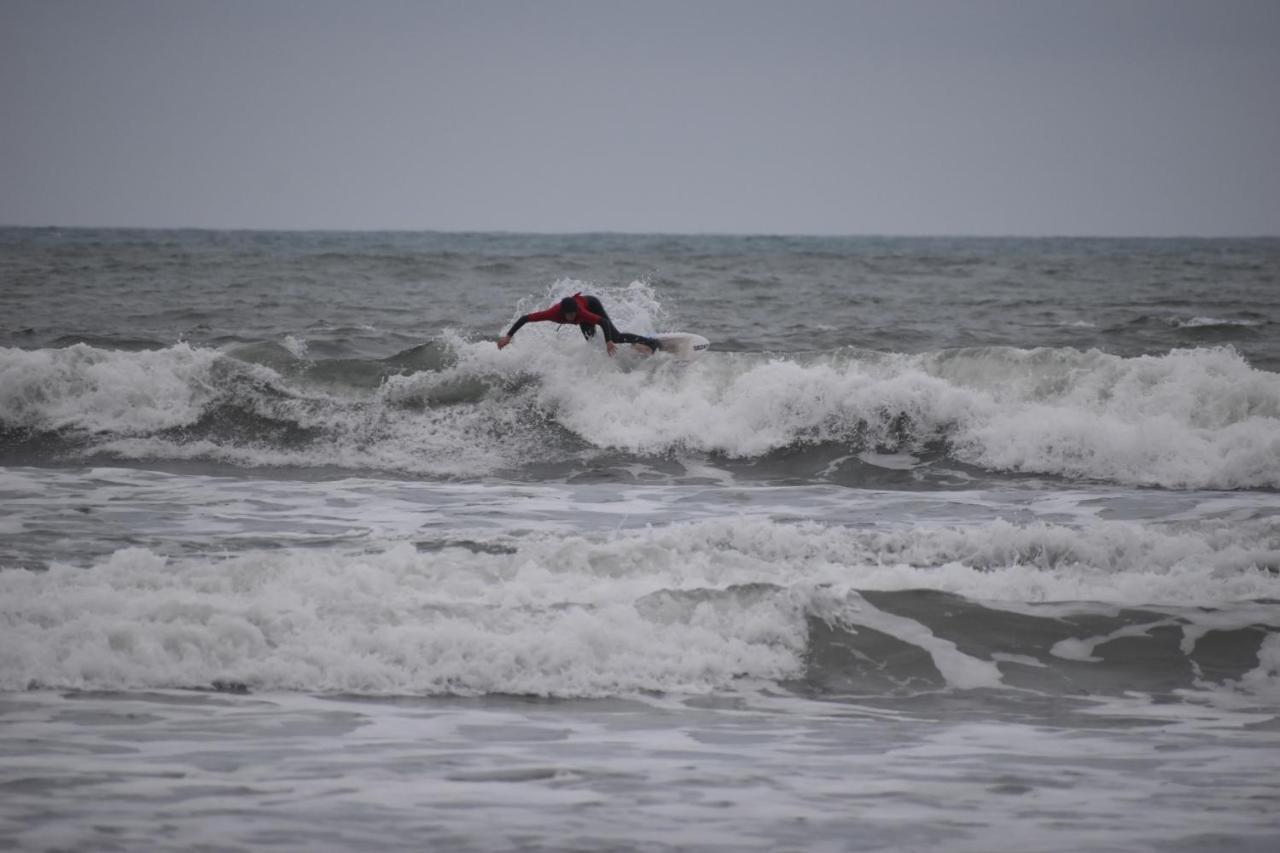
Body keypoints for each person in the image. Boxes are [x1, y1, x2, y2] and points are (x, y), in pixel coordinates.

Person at [496, 293, 660, 356]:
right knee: (593, 344)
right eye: (569, 314)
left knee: (615, 337)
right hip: (582, 316)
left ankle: (649, 342)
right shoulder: (552, 313)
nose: (571, 317)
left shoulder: (581, 312)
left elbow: (602, 322)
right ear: (563, 313)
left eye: (573, 314)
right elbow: (525, 318)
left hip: (592, 304)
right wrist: (508, 336)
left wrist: (609, 341)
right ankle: (633, 348)